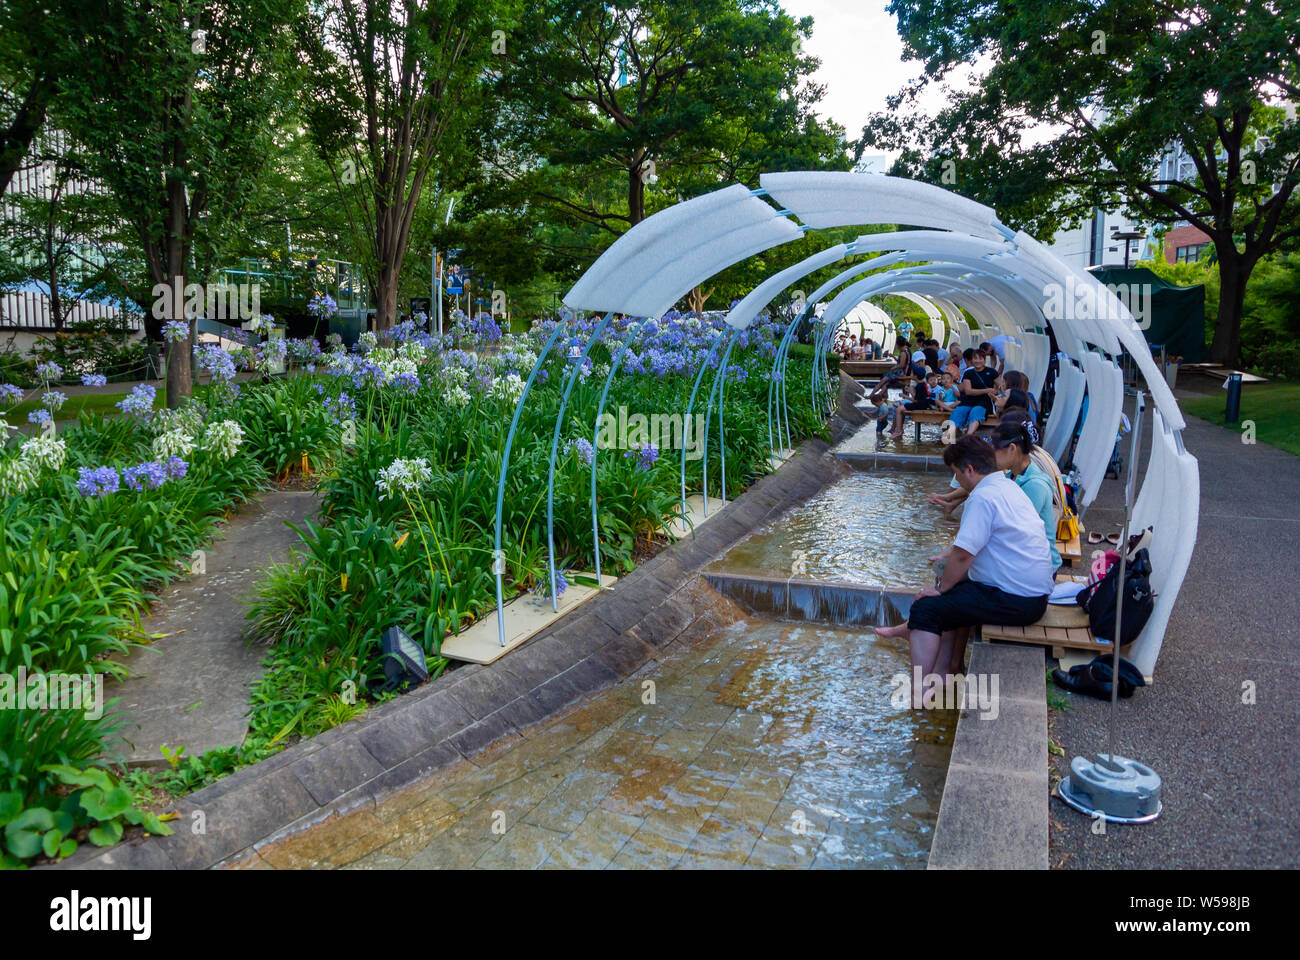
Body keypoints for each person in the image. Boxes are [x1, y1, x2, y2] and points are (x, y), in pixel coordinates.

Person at [878, 435, 1054, 696]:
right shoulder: (1007, 487)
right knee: (950, 597)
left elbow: (963, 556)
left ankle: (918, 689)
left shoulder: (982, 498)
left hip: (1017, 600)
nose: (956, 481)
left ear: (970, 470)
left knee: (927, 609)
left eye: (956, 474)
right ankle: (947, 671)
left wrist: (940, 588)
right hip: (1032, 594)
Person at [991, 418, 1062, 571]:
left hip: (1041, 568)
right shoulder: (1012, 475)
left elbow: (1016, 532)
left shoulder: (1034, 485)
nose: (991, 454)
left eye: (994, 449)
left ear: (1011, 448)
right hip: (1025, 556)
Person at [949, 349, 999, 435]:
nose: (977, 361)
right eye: (975, 358)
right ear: (972, 360)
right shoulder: (968, 373)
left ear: (984, 360)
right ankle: (952, 437)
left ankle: (968, 436)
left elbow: (1001, 386)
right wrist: (987, 390)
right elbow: (968, 391)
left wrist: (997, 392)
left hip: (984, 402)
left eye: (980, 358)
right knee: (958, 412)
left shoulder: (991, 372)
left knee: (976, 412)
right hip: (968, 401)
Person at [888, 370, 937, 439]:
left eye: (912, 374)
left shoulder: (920, 386)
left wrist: (905, 396)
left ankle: (898, 431)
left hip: (920, 406)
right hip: (922, 404)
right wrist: (909, 391)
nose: (911, 375)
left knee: (899, 409)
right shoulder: (922, 384)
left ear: (915, 376)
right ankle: (899, 429)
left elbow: (916, 400)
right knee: (900, 407)